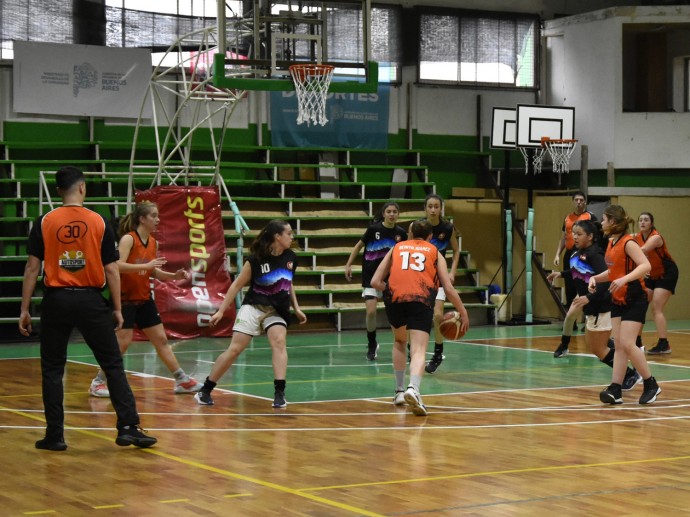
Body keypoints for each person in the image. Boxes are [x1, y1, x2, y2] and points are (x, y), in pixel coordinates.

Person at [18, 166, 157, 451]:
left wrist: (24, 308)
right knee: (112, 364)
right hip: (91, 300)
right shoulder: (99, 221)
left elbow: (32, 268)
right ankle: (128, 427)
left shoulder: (43, 221)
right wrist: (117, 308)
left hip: (56, 300)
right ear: (82, 188)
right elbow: (112, 269)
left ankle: (55, 435)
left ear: (59, 191)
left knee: (53, 369)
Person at [88, 201, 201, 398]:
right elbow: (117, 266)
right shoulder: (128, 240)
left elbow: (152, 271)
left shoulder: (153, 242)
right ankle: (98, 382)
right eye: (154, 216)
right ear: (142, 218)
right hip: (124, 298)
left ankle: (182, 380)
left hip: (143, 298)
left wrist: (174, 276)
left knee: (161, 340)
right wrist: (148, 266)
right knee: (122, 344)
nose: (158, 220)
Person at [194, 219, 307, 408]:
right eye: (288, 233)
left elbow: (289, 282)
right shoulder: (255, 259)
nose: (292, 237)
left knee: (279, 342)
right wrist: (221, 311)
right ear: (277, 237)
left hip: (277, 310)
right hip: (254, 306)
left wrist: (296, 307)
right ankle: (205, 390)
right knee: (235, 349)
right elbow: (237, 285)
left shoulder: (291, 257)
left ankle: (279, 393)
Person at [371, 219, 469, 416]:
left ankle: (399, 391)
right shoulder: (434, 251)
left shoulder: (397, 247)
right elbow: (448, 288)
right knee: (418, 349)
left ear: (410, 233)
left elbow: (375, 281)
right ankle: (413, 389)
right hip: (420, 299)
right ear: (430, 237)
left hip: (395, 300)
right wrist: (463, 312)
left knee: (399, 342)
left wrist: (389, 290)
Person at [548, 221, 641, 391]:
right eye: (573, 233)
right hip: (591, 304)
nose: (574, 236)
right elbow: (577, 270)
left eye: (579, 234)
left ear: (590, 237)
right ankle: (625, 364)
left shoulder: (596, 254)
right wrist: (560, 274)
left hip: (601, 304)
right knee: (594, 346)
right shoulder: (576, 253)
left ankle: (630, 374)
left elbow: (607, 280)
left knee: (599, 348)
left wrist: (589, 297)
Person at [589, 205, 660, 405]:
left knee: (628, 343)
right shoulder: (612, 243)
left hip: (635, 296)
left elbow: (646, 265)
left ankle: (650, 383)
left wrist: (624, 280)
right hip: (618, 297)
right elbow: (613, 273)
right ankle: (616, 388)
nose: (601, 223)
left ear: (612, 221)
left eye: (604, 219)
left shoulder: (629, 242)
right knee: (619, 345)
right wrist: (596, 277)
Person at [344, 202, 407, 361]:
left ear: (398, 214)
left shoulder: (401, 234)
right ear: (384, 213)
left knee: (396, 314)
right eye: (389, 211)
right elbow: (358, 246)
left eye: (395, 212)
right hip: (371, 277)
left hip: (392, 279)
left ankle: (405, 345)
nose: (392, 214)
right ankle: (372, 343)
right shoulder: (373, 229)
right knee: (371, 311)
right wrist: (348, 264)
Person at [418, 194, 460, 374]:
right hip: (421, 277)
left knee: (437, 316)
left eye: (436, 206)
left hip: (440, 278)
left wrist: (452, 271)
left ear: (441, 208)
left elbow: (457, 251)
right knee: (418, 317)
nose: (433, 210)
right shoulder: (418, 226)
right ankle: (414, 354)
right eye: (430, 206)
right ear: (425, 208)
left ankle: (437, 354)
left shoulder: (447, 227)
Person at [634, 212, 678, 355]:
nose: (643, 222)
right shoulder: (637, 237)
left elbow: (642, 251)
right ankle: (637, 340)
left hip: (667, 273)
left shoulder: (655, 237)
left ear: (651, 223)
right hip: (651, 274)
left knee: (656, 308)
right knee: (640, 304)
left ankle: (664, 344)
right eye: (640, 220)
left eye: (646, 220)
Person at [553, 191, 597, 329]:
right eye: (576, 200)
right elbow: (563, 237)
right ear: (573, 201)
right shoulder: (567, 218)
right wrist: (557, 254)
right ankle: (572, 323)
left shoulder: (590, 216)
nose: (579, 202)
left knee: (585, 286)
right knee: (570, 287)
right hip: (570, 253)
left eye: (581, 200)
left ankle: (588, 320)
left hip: (584, 254)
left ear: (585, 202)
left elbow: (597, 235)